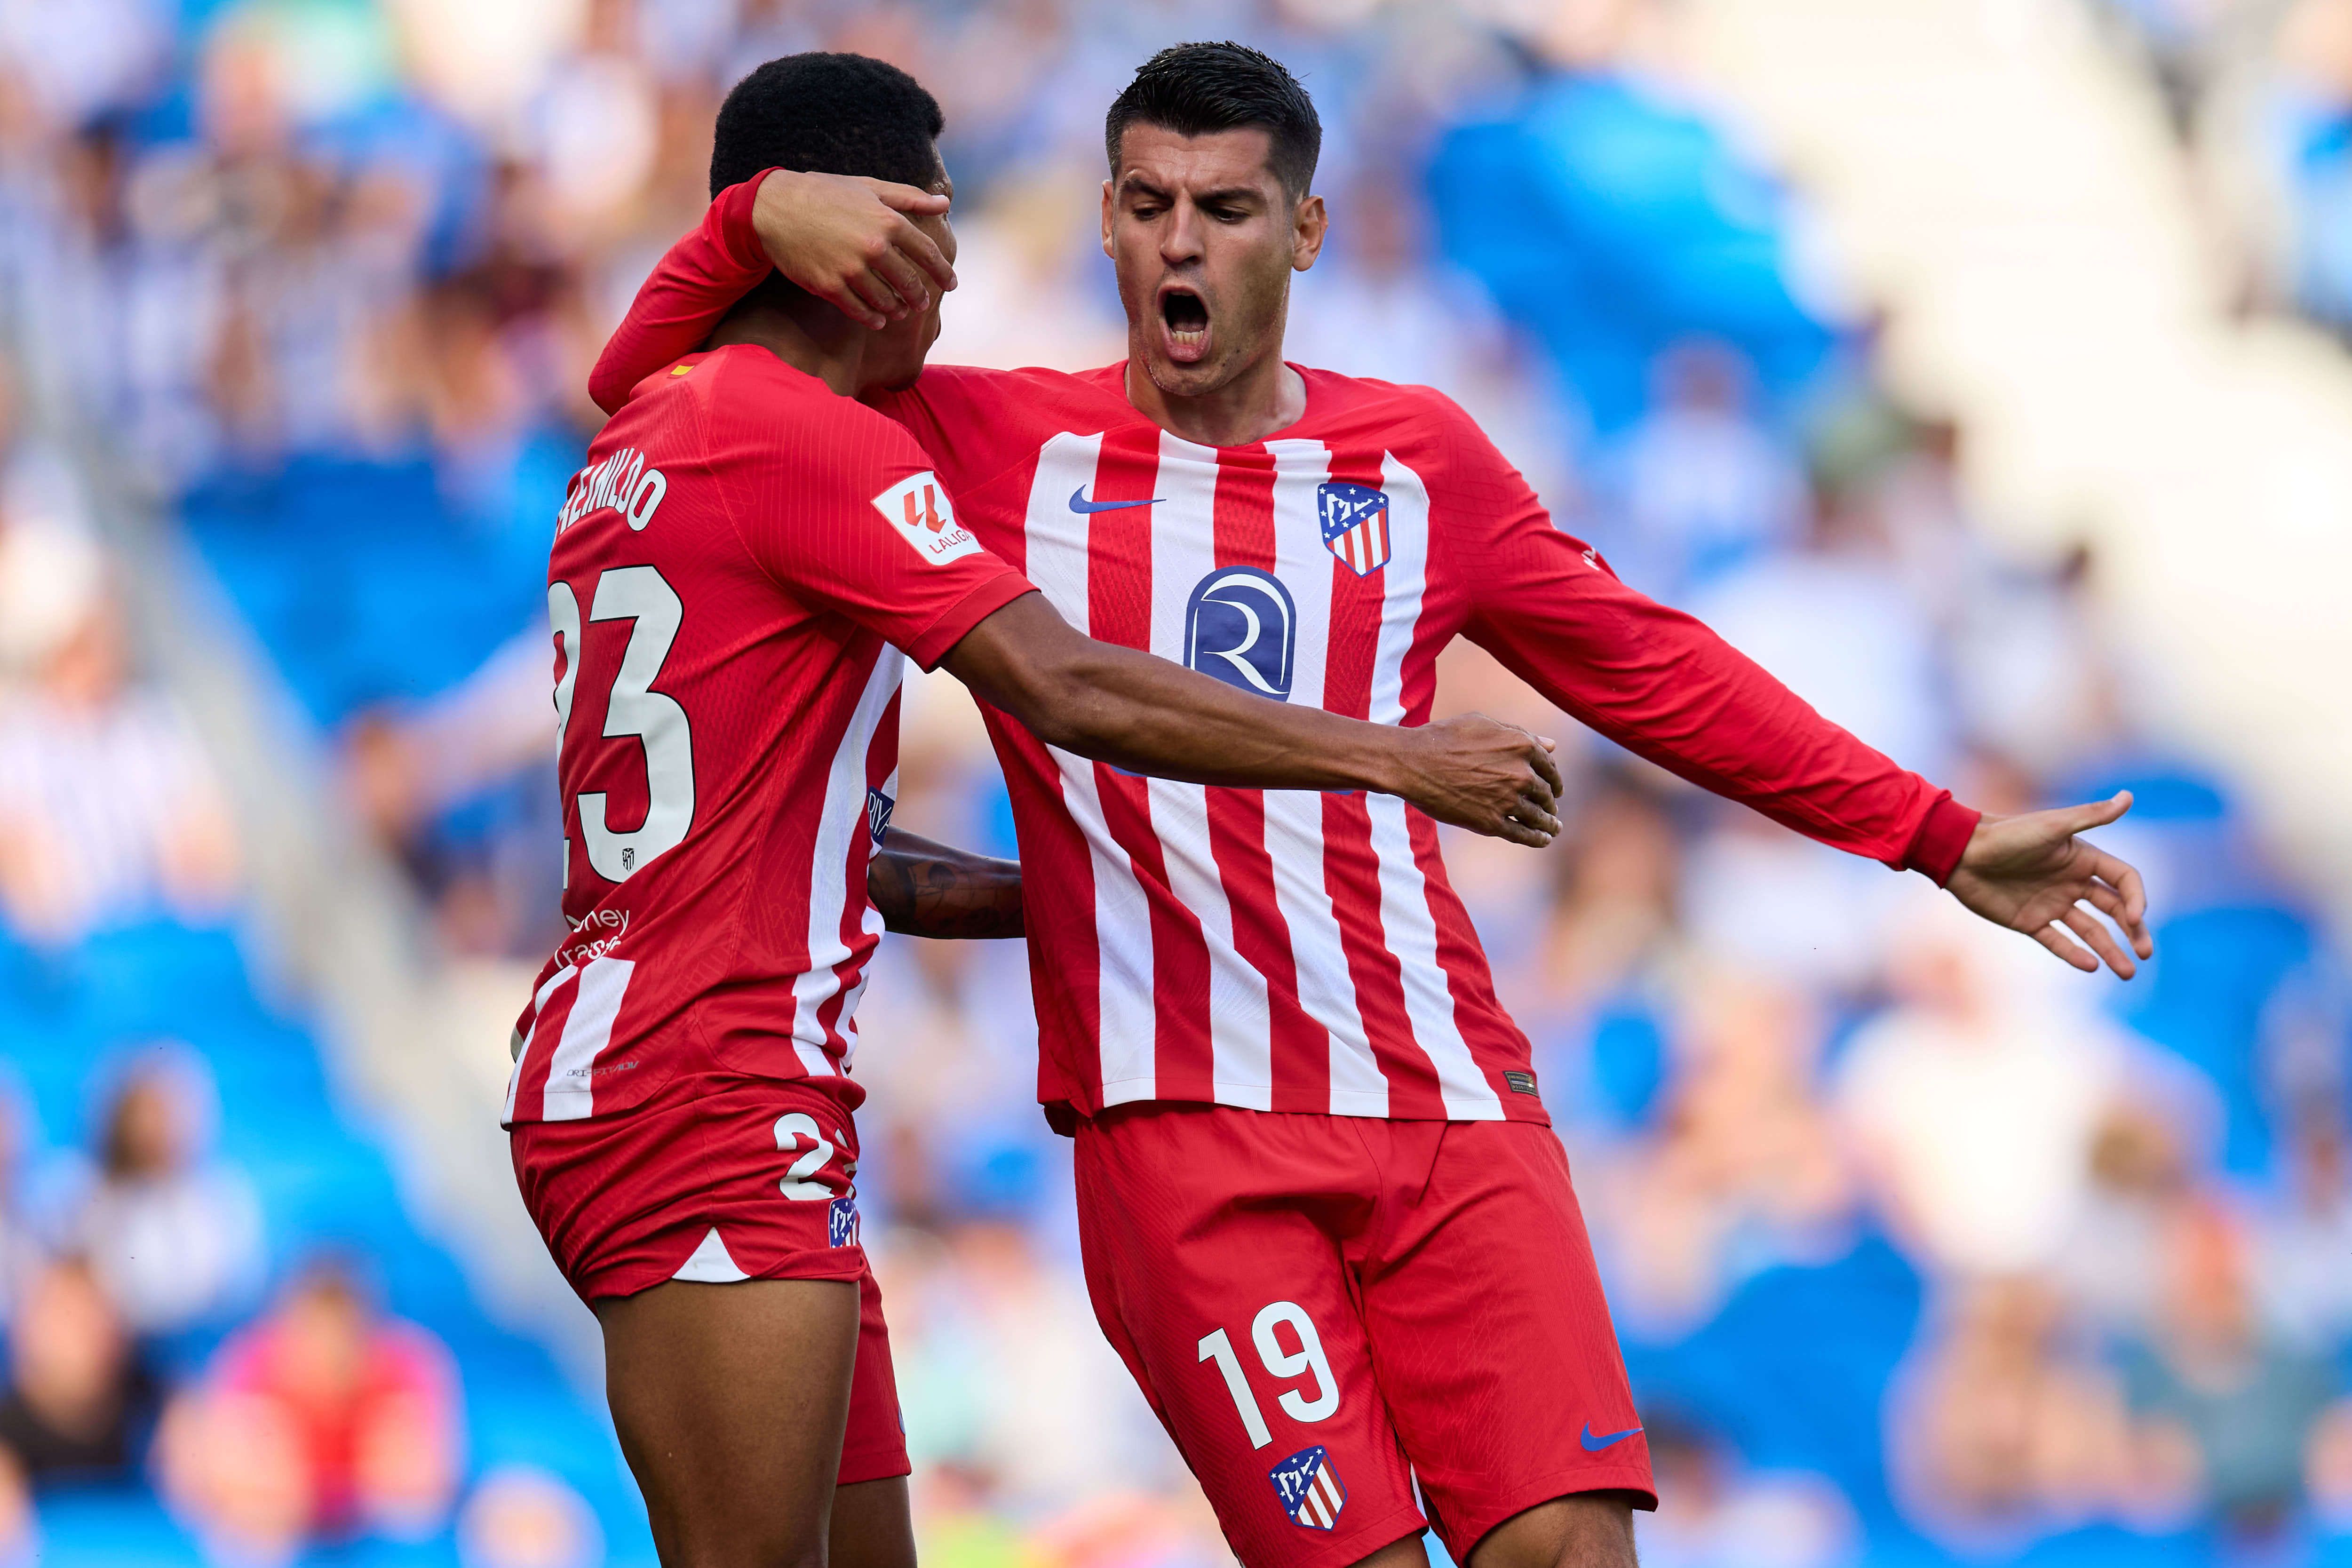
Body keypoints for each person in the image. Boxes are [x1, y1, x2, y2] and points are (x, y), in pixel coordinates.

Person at [591, 42, 2155, 1568]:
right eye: (1146, 207)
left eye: (1226, 208)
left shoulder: (1417, 462)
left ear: (1309, 232)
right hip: (1183, 1138)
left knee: (1572, 1547)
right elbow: (672, 399)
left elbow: (1657, 670)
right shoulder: (977, 439)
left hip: (1448, 1103)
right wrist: (741, 225)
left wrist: (1937, 836)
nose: (1179, 244)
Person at [507, 50, 1568, 1568]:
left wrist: (1080, 889)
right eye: (938, 245)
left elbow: (824, 851)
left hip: (673, 1063)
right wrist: (1393, 757)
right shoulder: (806, 438)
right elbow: (1066, 684)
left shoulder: (655, 426)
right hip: (709, 1090)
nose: (950, 312)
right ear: (885, 247)